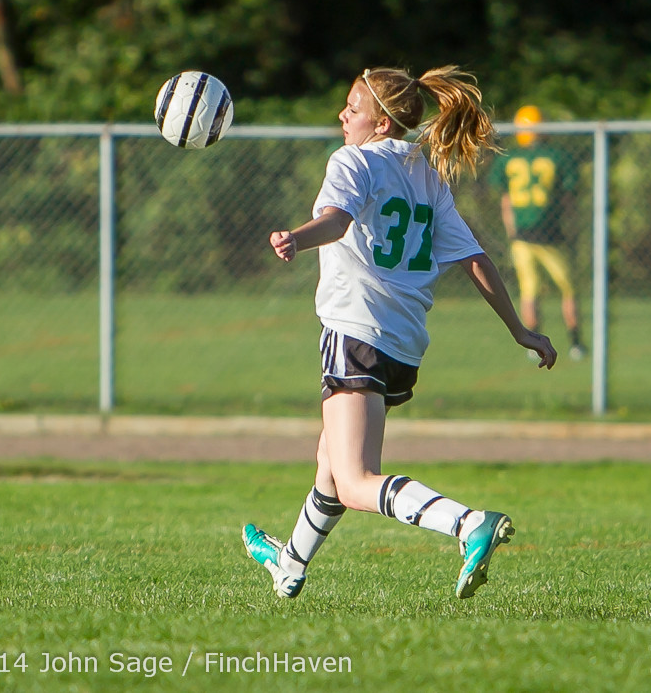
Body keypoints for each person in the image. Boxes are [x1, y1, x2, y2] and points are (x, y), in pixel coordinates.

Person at [242, 66, 557, 601]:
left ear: (382, 123)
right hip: (402, 342)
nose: (343, 116)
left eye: (353, 108)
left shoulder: (353, 160)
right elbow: (475, 260)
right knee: (330, 465)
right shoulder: (426, 173)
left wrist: (296, 237)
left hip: (355, 330)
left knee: (355, 479)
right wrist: (520, 330)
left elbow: (338, 221)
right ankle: (289, 562)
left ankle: (468, 524)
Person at [491, 105, 587, 361]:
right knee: (568, 289)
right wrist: (571, 228)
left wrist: (512, 233)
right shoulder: (557, 157)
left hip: (522, 236)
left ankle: (533, 344)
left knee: (529, 291)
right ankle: (576, 343)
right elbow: (567, 201)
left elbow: (506, 202)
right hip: (551, 235)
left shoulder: (509, 159)